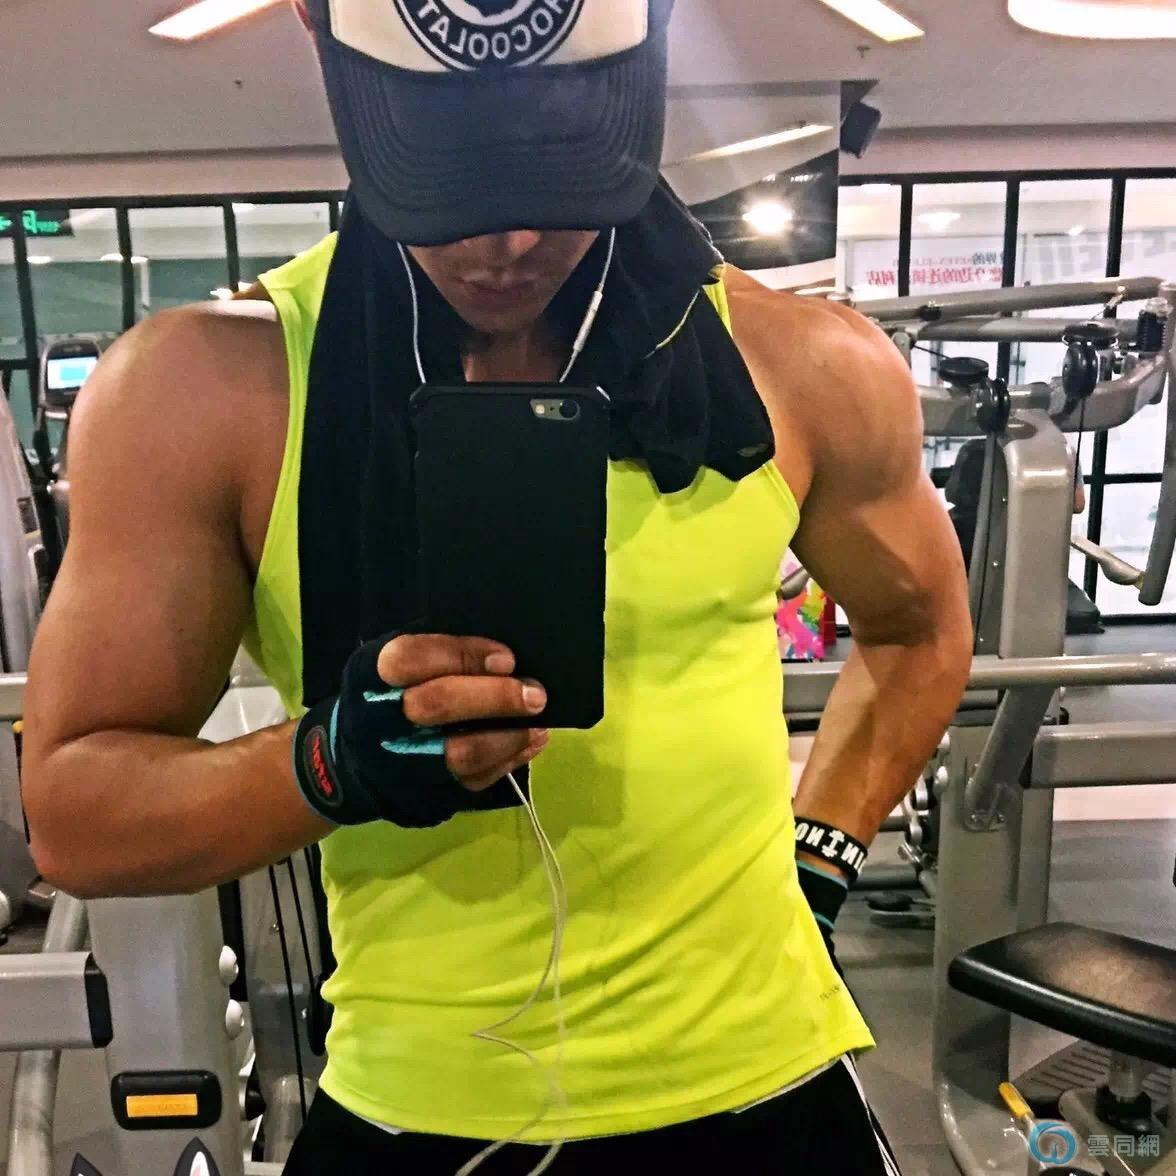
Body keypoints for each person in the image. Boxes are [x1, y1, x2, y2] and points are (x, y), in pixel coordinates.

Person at [22, 1, 972, 1171]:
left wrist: (820, 856)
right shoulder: (202, 393)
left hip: (769, 1087)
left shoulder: (807, 364)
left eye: (557, 168)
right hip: (419, 1106)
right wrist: (336, 762)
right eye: (452, 175)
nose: (510, 240)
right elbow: (75, 814)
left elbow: (919, 631)